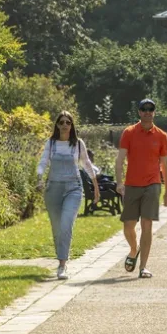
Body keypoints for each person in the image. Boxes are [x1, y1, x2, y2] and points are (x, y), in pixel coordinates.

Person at [36, 111, 98, 280]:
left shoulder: (78, 144)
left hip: (73, 188)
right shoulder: (51, 143)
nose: (65, 125)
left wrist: (95, 186)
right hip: (53, 189)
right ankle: (61, 257)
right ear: (57, 125)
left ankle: (62, 265)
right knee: (57, 228)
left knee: (66, 223)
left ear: (72, 126)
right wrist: (39, 177)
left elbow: (86, 164)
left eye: (68, 122)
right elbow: (43, 161)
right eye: (62, 122)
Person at [115, 98, 167, 279]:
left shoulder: (161, 136)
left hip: (152, 184)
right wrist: (119, 182)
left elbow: (165, 165)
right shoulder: (129, 132)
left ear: (154, 112)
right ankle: (133, 249)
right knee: (128, 225)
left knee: (147, 225)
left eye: (151, 109)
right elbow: (120, 159)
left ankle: (143, 267)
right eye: (144, 109)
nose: (147, 112)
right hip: (132, 184)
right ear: (139, 112)